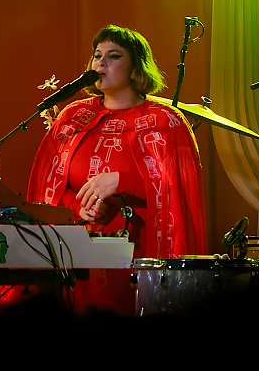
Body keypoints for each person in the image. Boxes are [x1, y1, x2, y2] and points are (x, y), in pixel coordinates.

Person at [26, 24, 206, 312]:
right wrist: (79, 206)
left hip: (142, 260)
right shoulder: (73, 118)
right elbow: (45, 191)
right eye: (98, 55)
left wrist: (122, 181)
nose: (101, 62)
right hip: (78, 261)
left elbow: (181, 196)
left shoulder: (166, 121)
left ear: (136, 69)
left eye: (114, 55)